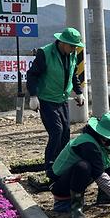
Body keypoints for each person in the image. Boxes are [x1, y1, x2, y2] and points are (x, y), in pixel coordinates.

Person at [26, 27, 86, 177]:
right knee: (56, 132)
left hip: (62, 99)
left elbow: (73, 75)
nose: (74, 49)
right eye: (72, 46)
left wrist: (78, 92)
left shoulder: (71, 55)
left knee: (65, 132)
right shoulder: (45, 53)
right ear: (62, 42)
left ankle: (62, 165)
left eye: (76, 47)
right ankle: (49, 168)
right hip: (47, 99)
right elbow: (32, 75)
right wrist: (33, 96)